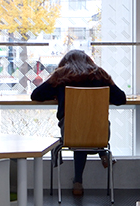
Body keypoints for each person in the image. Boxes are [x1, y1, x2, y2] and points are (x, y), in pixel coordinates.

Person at [31, 49, 127, 196]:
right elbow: (121, 99)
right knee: (86, 127)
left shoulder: (61, 75)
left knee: (78, 129)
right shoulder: (100, 74)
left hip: (71, 132)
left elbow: (36, 95)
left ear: (65, 62)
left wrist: (57, 94)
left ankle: (78, 183)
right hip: (100, 133)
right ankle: (102, 152)